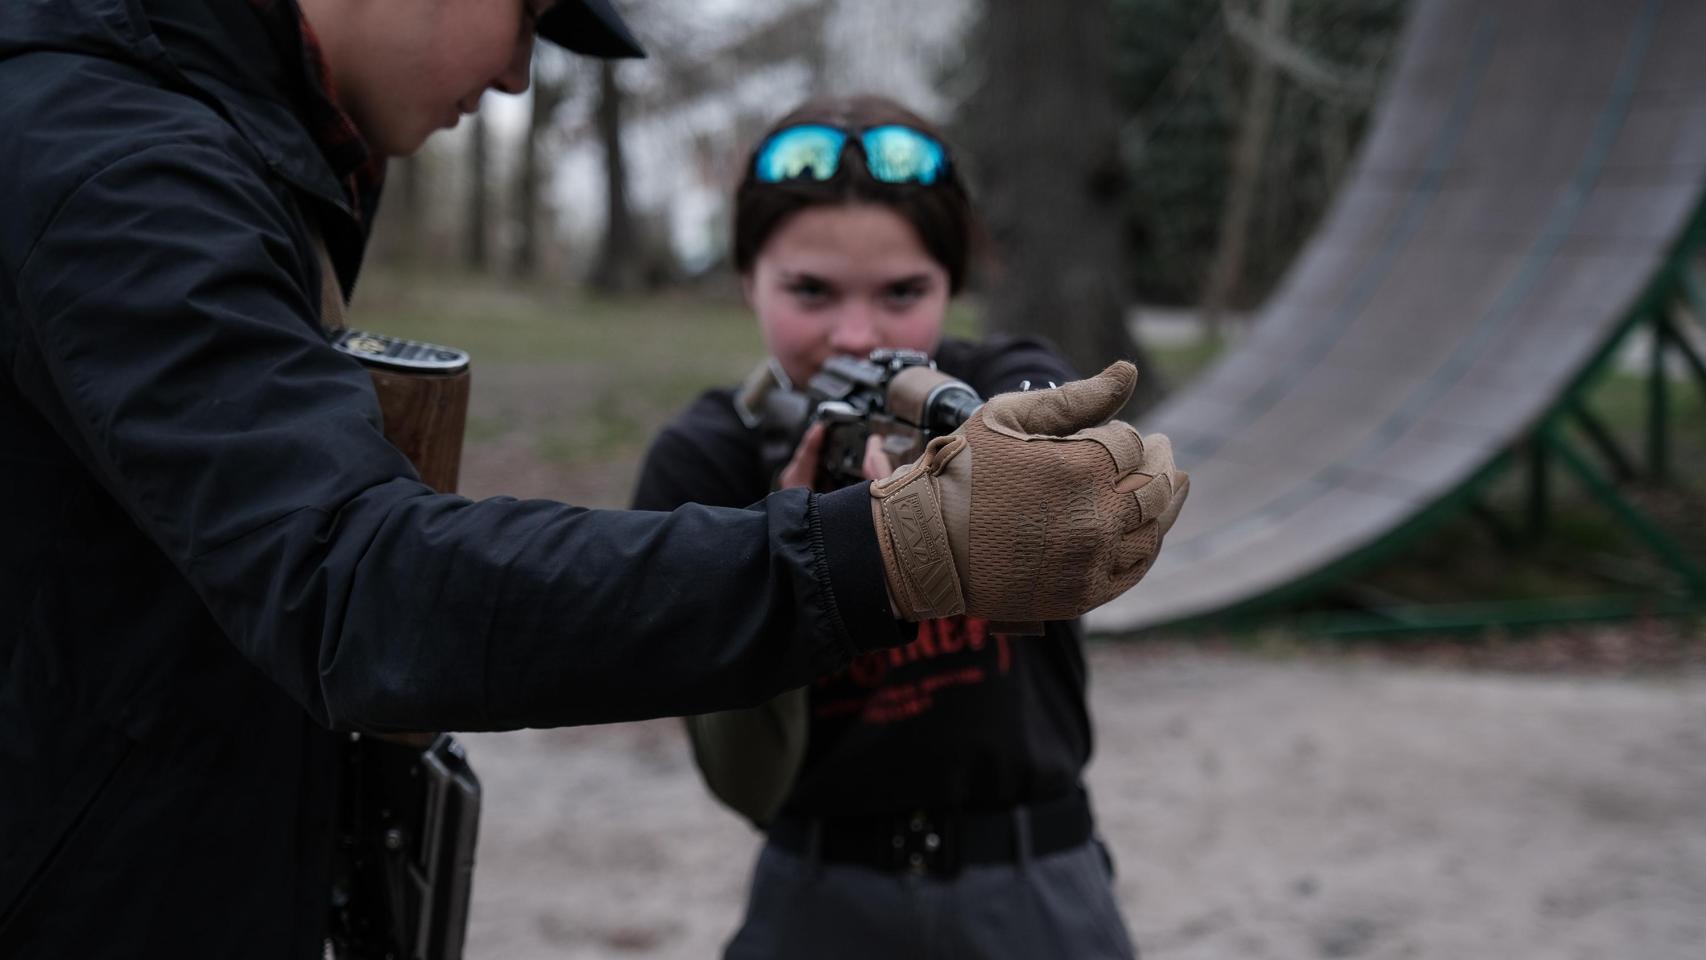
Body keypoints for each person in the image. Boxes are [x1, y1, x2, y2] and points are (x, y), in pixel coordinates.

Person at [0, 0, 1185, 954]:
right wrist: (884, 546)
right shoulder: (125, 167)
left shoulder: (202, 147)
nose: (518, 76)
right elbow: (358, 588)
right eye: (529, 16)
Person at [633, 95, 1159, 959]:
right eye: (810, 290)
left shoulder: (998, 379)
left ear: (952, 287)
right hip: (818, 887)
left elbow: (1041, 409)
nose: (857, 334)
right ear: (746, 281)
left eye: (903, 292)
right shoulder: (708, 457)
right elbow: (729, 756)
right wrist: (795, 550)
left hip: (1035, 879)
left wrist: (1018, 460)